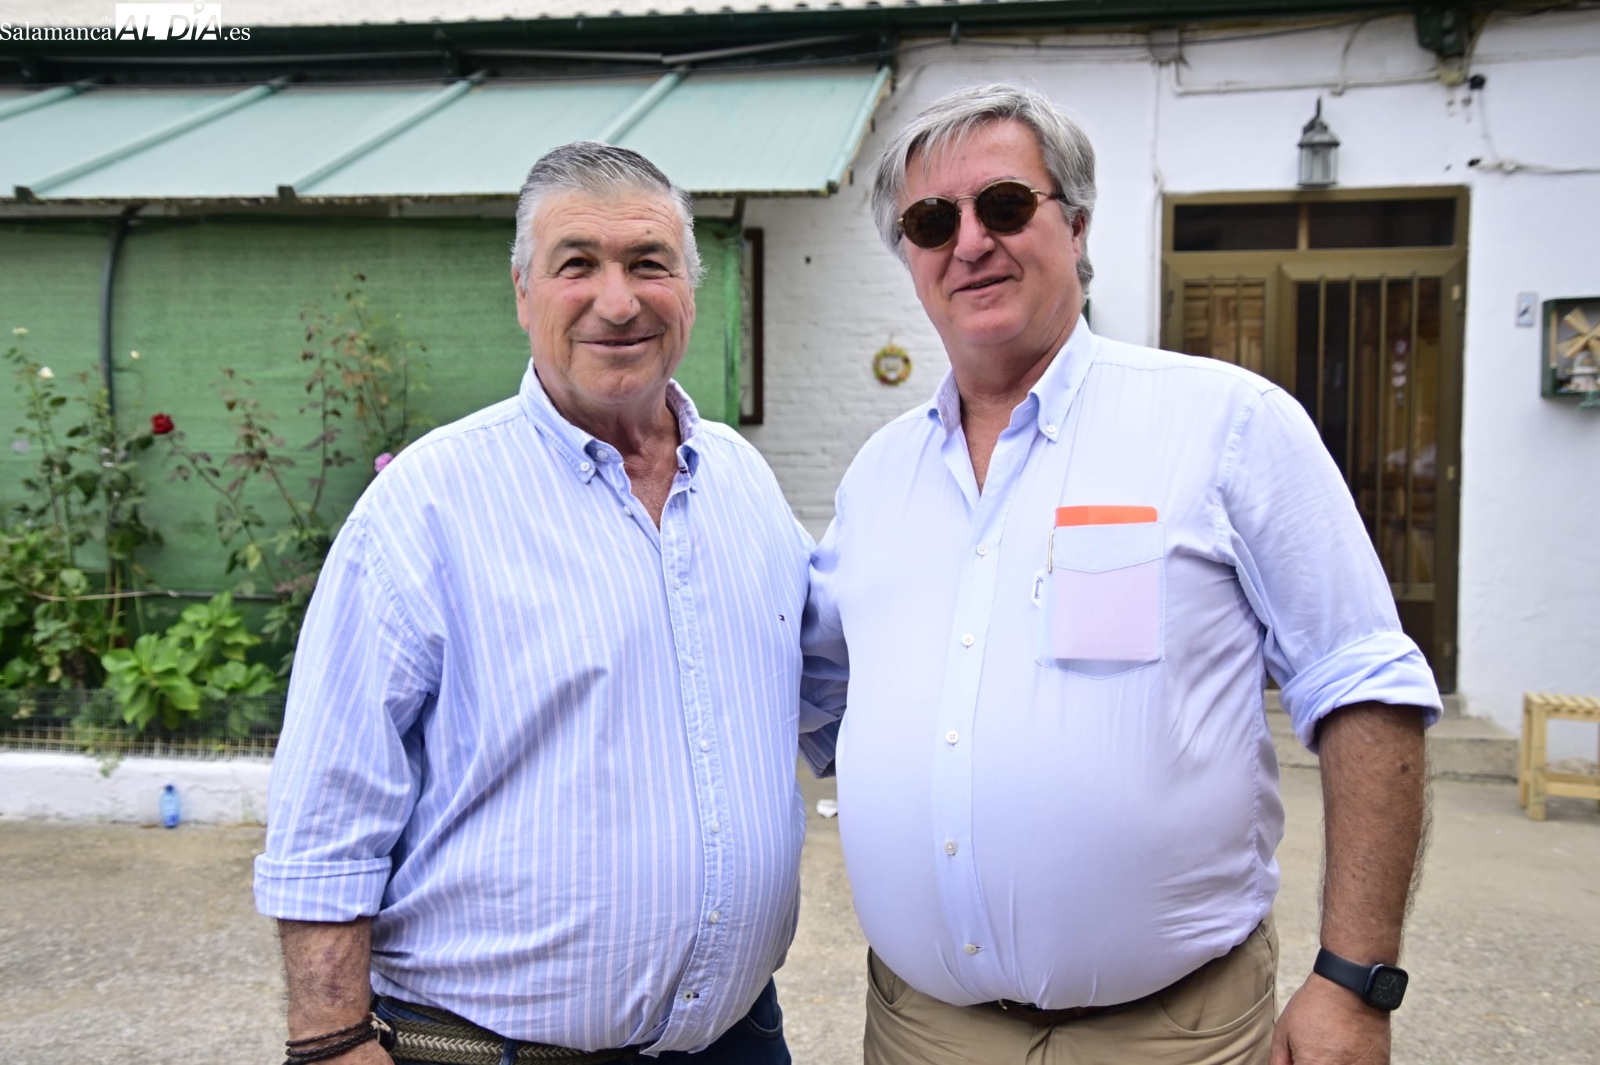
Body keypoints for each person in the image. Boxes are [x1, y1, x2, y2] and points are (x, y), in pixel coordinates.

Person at [799, 84, 1440, 1065]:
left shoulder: (1226, 425)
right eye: (931, 221)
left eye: (1004, 204)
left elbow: (1365, 686)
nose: (969, 242)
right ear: (909, 256)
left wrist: (1356, 982)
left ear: (1077, 224)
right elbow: (825, 686)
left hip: (1169, 1036)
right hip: (921, 1031)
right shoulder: (878, 477)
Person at [255, 142, 810, 1065]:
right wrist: (330, 1040)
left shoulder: (744, 483)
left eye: (649, 263)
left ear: (691, 288)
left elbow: (828, 692)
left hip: (735, 1041)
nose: (618, 301)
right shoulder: (428, 504)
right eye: (577, 263)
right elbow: (330, 796)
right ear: (522, 292)